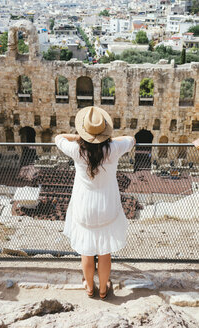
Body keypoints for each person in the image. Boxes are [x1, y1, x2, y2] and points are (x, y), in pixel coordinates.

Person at [55, 106, 135, 300]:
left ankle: (90, 287)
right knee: (105, 251)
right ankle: (103, 290)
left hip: (84, 205)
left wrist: (80, 138)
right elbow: (131, 139)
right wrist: (107, 139)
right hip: (107, 204)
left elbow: (58, 138)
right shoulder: (113, 149)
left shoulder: (77, 150)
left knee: (87, 250)